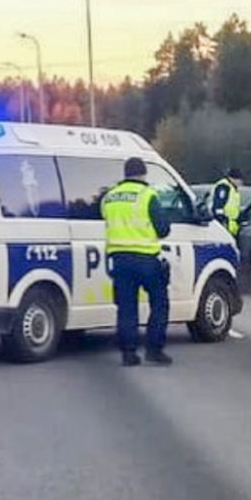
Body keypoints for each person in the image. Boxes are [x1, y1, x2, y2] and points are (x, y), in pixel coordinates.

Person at [102, 157, 173, 367]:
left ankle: (128, 353)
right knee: (160, 303)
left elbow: (105, 218)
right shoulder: (148, 195)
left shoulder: (110, 197)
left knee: (126, 307)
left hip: (119, 259)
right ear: (143, 174)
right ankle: (154, 350)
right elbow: (163, 229)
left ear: (125, 173)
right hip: (146, 259)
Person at [211, 168, 244, 237]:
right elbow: (218, 204)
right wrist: (221, 219)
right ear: (233, 179)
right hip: (224, 223)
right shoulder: (224, 187)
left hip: (230, 223)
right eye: (240, 180)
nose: (241, 183)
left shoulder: (232, 188)